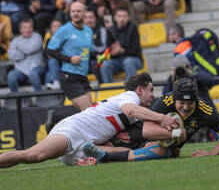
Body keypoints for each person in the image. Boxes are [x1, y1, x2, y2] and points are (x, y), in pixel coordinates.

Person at [0, 72, 179, 168]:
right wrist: (161, 118)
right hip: (73, 131)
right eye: (150, 90)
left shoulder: (138, 110)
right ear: (139, 90)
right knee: (31, 155)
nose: (153, 95)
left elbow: (146, 128)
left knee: (122, 153)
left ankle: (83, 160)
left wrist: (169, 139)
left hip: (85, 144)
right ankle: (83, 160)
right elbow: (131, 110)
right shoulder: (130, 97)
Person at [78, 77, 219, 165]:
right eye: (181, 103)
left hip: (160, 144)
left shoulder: (204, 110)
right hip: (137, 132)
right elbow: (147, 131)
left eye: (190, 104)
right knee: (110, 145)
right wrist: (177, 134)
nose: (185, 108)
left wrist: (211, 154)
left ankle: (103, 158)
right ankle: (83, 155)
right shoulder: (163, 102)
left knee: (162, 151)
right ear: (174, 99)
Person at [46, 2, 93, 111]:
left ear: (85, 13)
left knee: (90, 112)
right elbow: (49, 50)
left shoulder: (88, 31)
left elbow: (88, 52)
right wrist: (69, 59)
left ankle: (56, 117)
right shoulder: (64, 30)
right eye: (73, 11)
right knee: (89, 111)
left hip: (83, 76)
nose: (75, 14)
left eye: (78, 11)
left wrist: (99, 57)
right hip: (69, 76)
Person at [100, 7, 143, 84]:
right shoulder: (111, 30)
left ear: (128, 17)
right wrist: (112, 52)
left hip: (134, 59)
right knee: (105, 65)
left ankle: (131, 90)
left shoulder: (133, 28)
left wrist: (122, 50)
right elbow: (108, 49)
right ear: (115, 18)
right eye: (119, 16)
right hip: (117, 60)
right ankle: (108, 90)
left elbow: (136, 50)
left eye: (124, 16)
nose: (122, 19)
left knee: (128, 62)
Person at [7, 18, 45, 93]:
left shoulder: (37, 37)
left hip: (37, 68)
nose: (27, 30)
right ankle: (15, 99)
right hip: (21, 71)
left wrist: (18, 48)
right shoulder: (16, 40)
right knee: (11, 76)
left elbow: (30, 49)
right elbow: (12, 56)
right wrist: (23, 54)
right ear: (20, 29)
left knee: (32, 74)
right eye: (25, 27)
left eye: (30, 27)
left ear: (32, 28)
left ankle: (40, 97)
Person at [83, 9, 107, 84]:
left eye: (91, 17)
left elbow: (102, 48)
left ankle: (103, 86)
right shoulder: (79, 32)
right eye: (86, 18)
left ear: (95, 18)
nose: (88, 20)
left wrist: (93, 54)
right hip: (84, 61)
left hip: (98, 60)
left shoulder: (101, 30)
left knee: (94, 64)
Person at [44, 18, 62, 90]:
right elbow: (46, 55)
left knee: (53, 59)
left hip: (64, 65)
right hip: (53, 67)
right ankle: (48, 98)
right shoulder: (49, 40)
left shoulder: (66, 39)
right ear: (51, 29)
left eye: (59, 26)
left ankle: (56, 82)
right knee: (48, 75)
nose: (57, 28)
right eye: (54, 27)